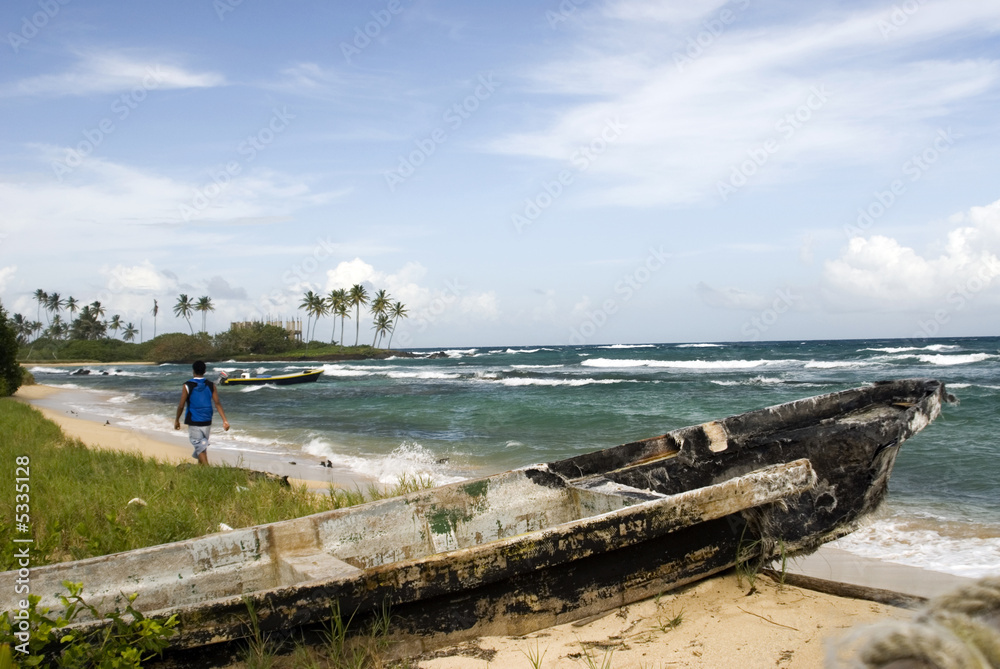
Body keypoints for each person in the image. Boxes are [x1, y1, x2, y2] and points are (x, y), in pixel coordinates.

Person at [174, 360, 229, 465]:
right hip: (207, 418)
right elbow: (217, 403)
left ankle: (207, 470)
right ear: (204, 371)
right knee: (202, 445)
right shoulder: (210, 385)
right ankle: (201, 470)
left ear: (193, 371)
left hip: (194, 419)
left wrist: (177, 420)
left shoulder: (187, 385)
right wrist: (224, 420)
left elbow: (181, 405)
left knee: (199, 445)